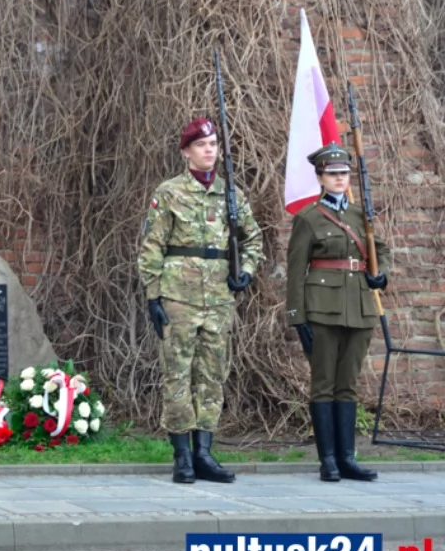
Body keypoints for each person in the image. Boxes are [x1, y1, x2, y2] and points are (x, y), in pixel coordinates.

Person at [138, 117, 264, 484]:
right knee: (177, 374)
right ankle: (181, 456)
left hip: (219, 299)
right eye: (201, 145)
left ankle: (204, 453)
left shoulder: (231, 195)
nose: (209, 150)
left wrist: (247, 272)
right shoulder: (169, 192)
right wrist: (152, 295)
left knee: (212, 375)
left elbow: (252, 239)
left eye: (213, 144)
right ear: (186, 152)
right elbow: (152, 247)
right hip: (178, 296)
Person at [286, 143, 388, 482]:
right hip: (323, 310)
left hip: (359, 308)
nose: (339, 179)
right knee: (323, 384)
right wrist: (297, 316)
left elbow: (380, 250)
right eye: (332, 174)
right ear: (320, 178)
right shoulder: (308, 218)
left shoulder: (362, 217)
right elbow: (296, 269)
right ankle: (327, 460)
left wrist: (379, 272)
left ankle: (347, 459)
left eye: (344, 173)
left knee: (348, 385)